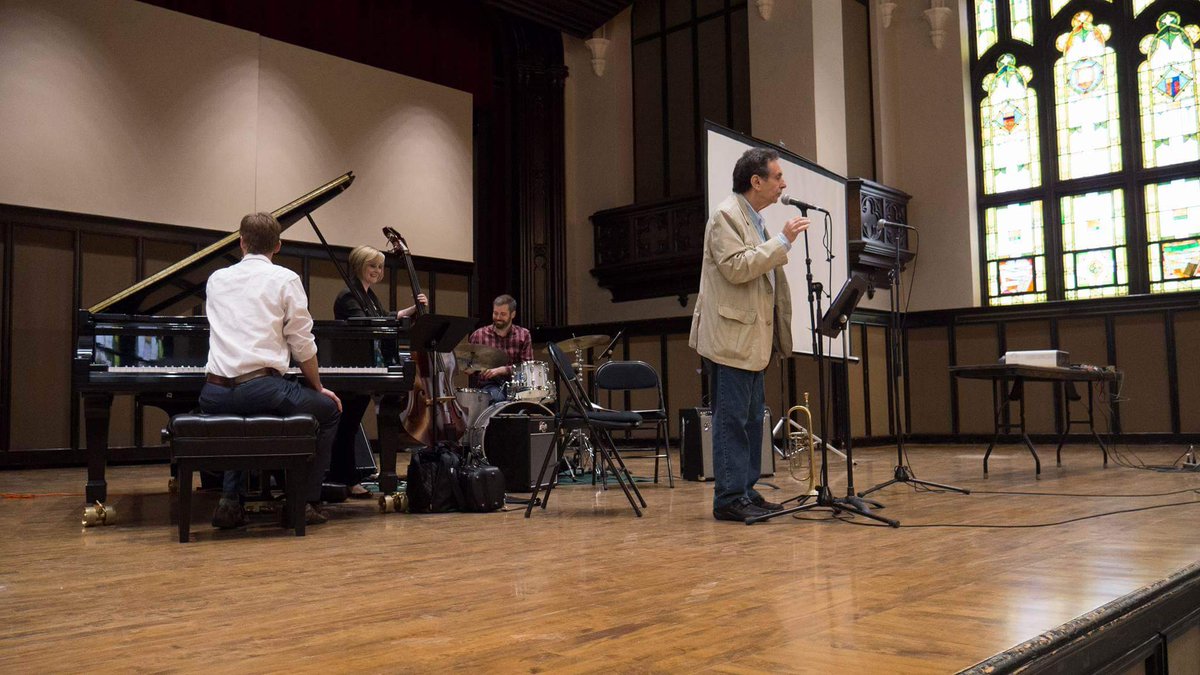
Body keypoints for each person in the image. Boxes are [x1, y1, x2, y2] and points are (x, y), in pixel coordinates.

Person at [200, 212, 343, 528]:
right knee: (329, 410)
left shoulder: (216, 280)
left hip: (214, 393)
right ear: (278, 246)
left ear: (241, 242)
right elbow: (302, 344)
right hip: (261, 388)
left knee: (236, 420)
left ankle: (229, 501)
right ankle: (300, 502)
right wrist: (318, 387)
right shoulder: (285, 280)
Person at [688, 147, 809, 522]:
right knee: (732, 421)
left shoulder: (752, 217)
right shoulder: (725, 215)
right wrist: (783, 241)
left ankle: (746, 490)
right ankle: (728, 498)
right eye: (777, 177)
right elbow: (737, 268)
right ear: (755, 181)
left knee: (753, 419)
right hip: (730, 340)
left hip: (752, 340)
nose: (783, 184)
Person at [329, 245, 426, 497]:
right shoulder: (348, 296)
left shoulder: (368, 295)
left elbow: (385, 316)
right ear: (360, 265)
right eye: (372, 265)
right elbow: (369, 325)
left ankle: (348, 476)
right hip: (353, 367)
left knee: (349, 424)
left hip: (366, 366)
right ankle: (347, 479)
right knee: (347, 425)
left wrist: (412, 310)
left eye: (380, 267)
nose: (377, 271)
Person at [467, 294, 532, 404]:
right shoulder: (479, 335)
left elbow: (527, 366)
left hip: (516, 384)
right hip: (489, 385)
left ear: (513, 314)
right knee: (497, 399)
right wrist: (471, 368)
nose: (497, 317)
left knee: (532, 399)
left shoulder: (523, 335)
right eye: (495, 313)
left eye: (502, 314)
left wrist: (503, 370)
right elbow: (469, 365)